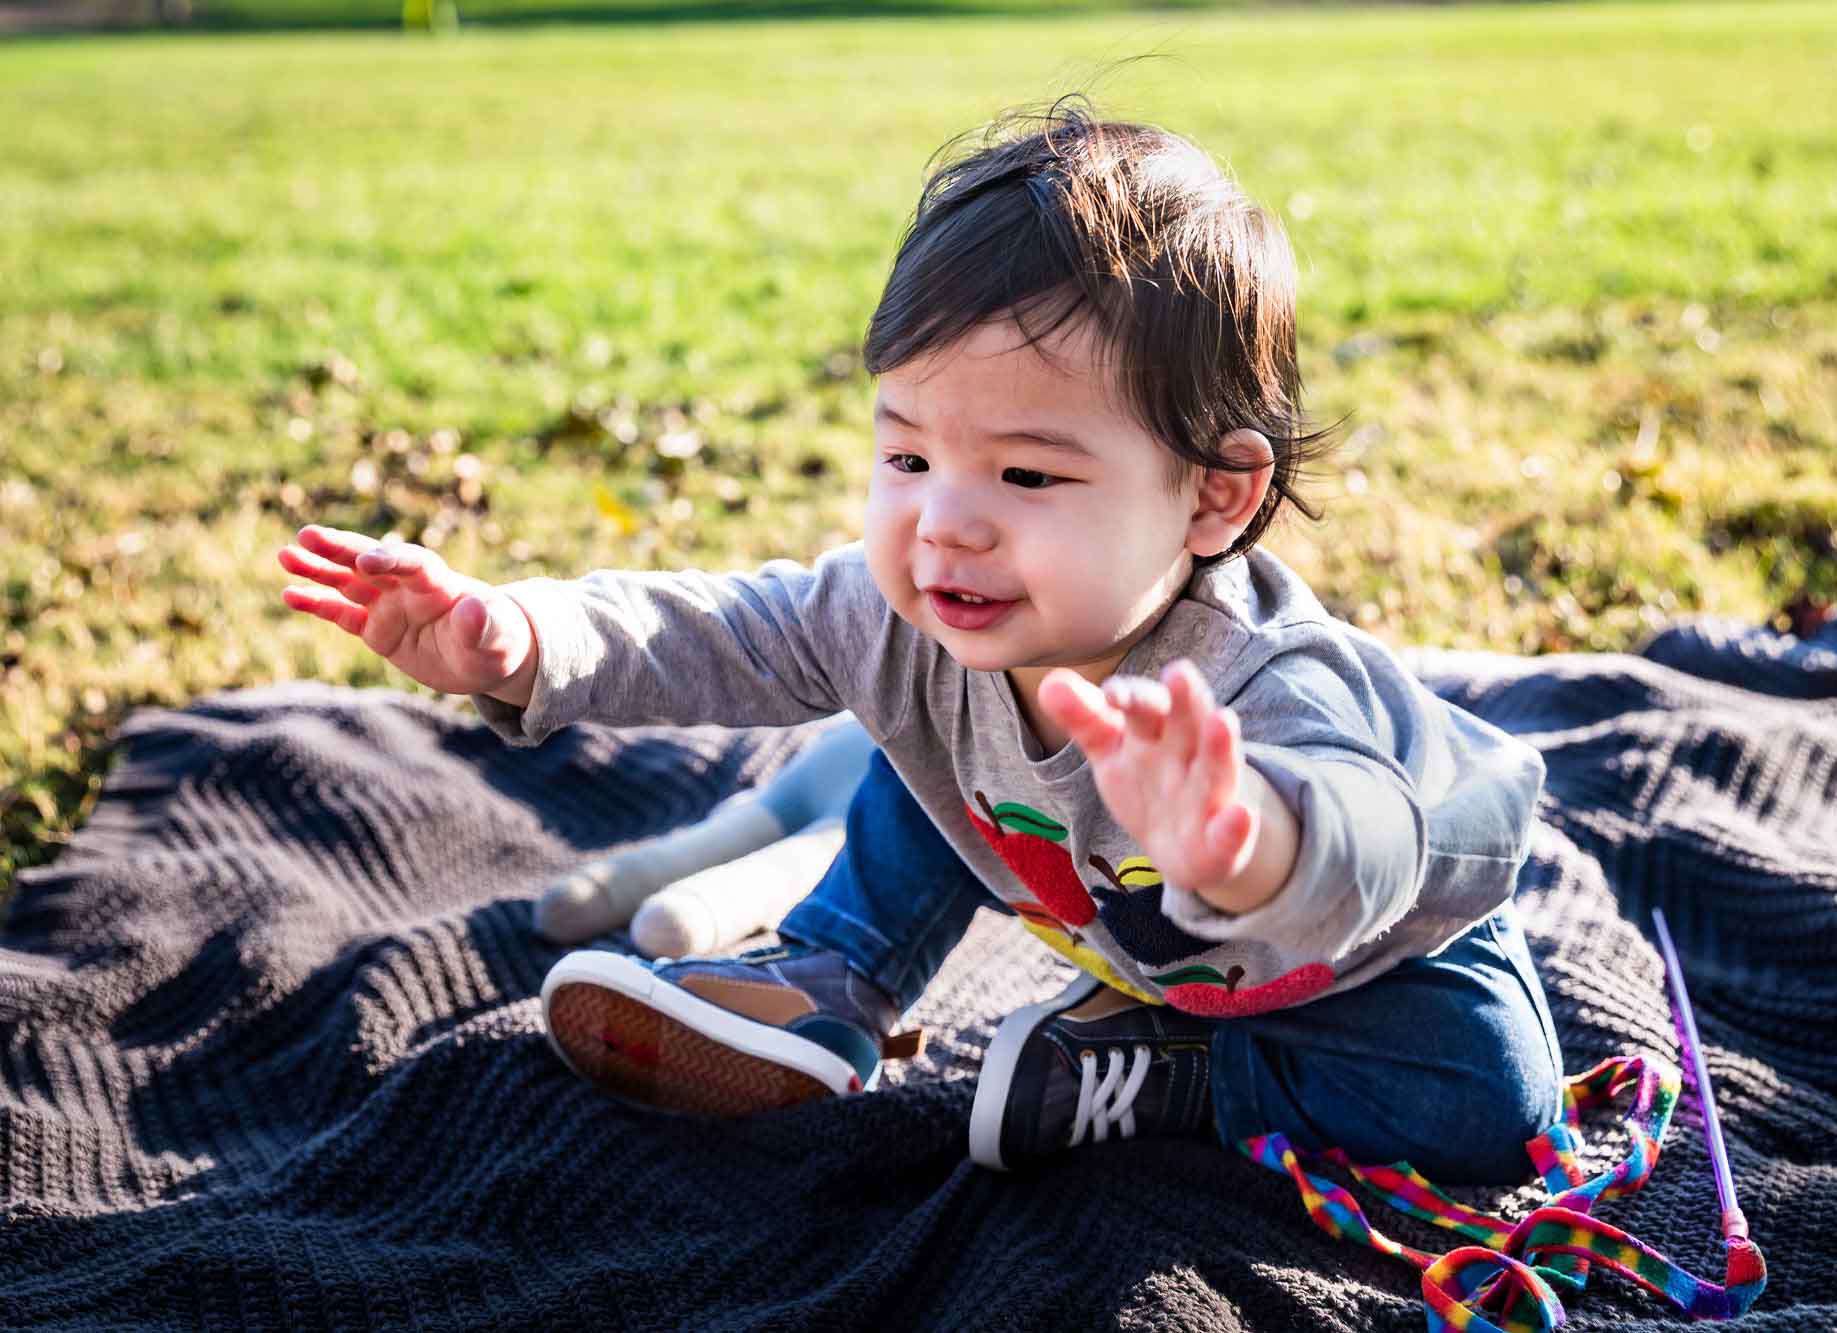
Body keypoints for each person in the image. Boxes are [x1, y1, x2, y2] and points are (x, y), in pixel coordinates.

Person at [277, 98, 1563, 1181]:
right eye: (907, 453)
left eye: (1027, 477)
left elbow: (1379, 841)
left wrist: (1249, 841)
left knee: (1488, 1100)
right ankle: (830, 975)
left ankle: (1176, 1073)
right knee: (925, 721)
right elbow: (725, 625)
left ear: (1213, 494)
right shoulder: (914, 615)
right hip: (1090, 884)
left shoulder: (1256, 683)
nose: (944, 526)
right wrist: (518, 637)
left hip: (1357, 965)